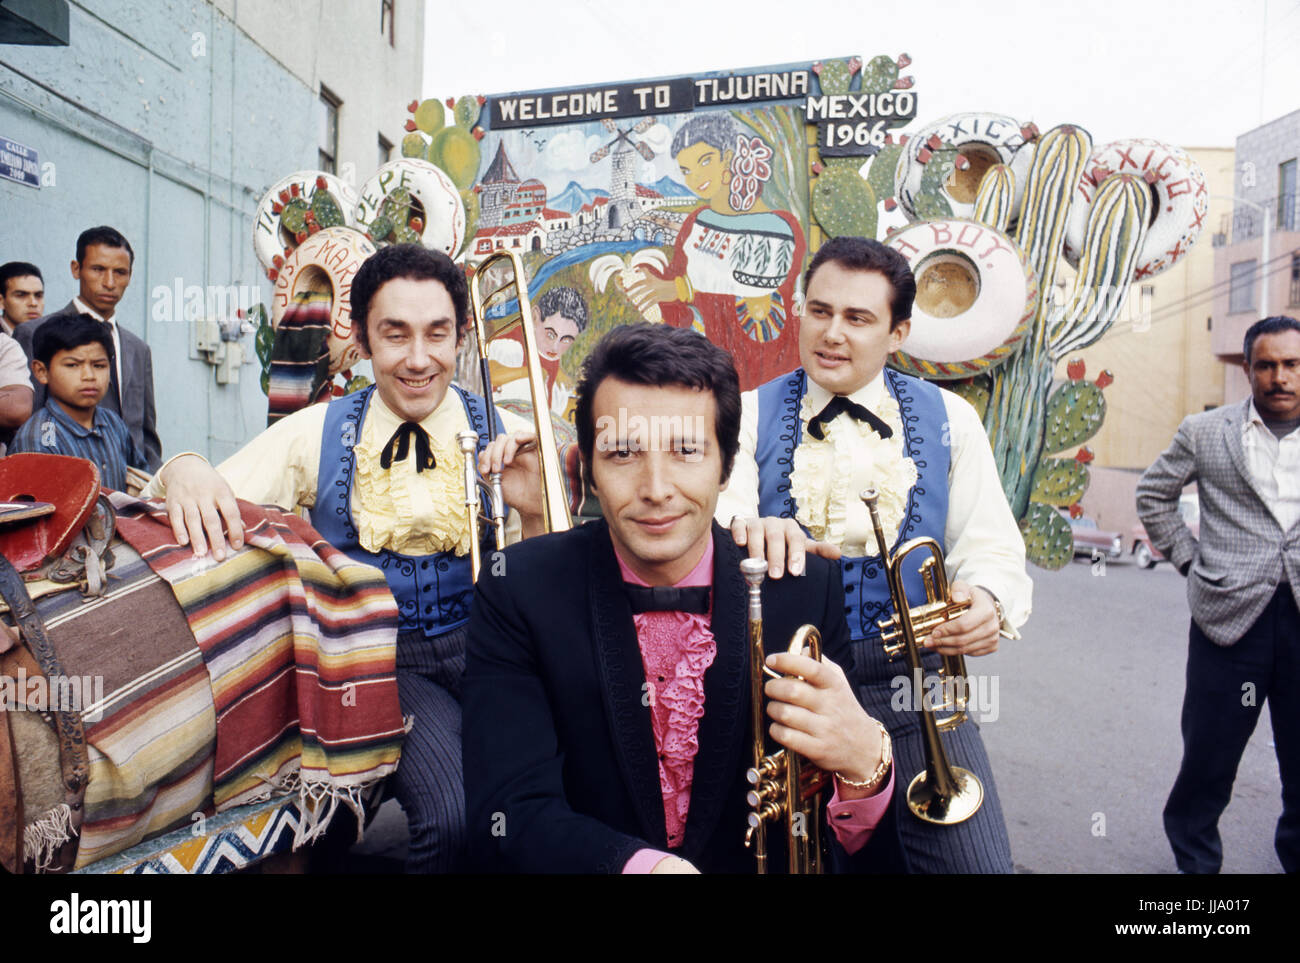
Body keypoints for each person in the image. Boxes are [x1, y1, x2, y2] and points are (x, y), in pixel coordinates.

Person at [144, 244, 537, 873]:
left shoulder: (509, 430)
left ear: (461, 337)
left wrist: (539, 505)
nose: (417, 359)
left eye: (437, 334)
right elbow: (206, 491)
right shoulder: (318, 430)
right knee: (453, 816)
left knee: (566, 785)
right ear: (360, 339)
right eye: (394, 334)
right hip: (380, 659)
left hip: (495, 652)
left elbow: (546, 564)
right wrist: (184, 467)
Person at [463, 322, 903, 873]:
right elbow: (507, 812)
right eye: (623, 454)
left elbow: (834, 837)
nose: (656, 488)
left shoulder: (800, 586)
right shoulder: (518, 588)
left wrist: (868, 766)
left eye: (686, 452)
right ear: (591, 473)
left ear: (725, 467)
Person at [715, 236, 1032, 874]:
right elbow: (723, 518)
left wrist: (987, 601)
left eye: (858, 319)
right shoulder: (746, 414)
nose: (832, 334)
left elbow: (992, 548)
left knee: (974, 867)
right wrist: (748, 528)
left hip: (917, 689)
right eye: (820, 310)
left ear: (898, 332)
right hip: (786, 686)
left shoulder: (953, 419)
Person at [1136, 315, 1300, 874]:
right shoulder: (1206, 431)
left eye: (1293, 364)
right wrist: (1190, 560)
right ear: (1249, 369)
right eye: (1268, 364)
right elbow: (1154, 494)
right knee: (1209, 757)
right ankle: (1197, 867)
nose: (1281, 377)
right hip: (1229, 619)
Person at [623, 114, 805, 392]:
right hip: (710, 370)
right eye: (686, 170)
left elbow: (757, 284)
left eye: (705, 161)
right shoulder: (695, 223)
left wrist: (679, 289)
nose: (696, 177)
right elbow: (675, 284)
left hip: (766, 366)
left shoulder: (778, 226)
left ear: (728, 157)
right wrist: (645, 284)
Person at [16, 227, 161, 470]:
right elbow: (25, 419)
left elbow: (147, 436)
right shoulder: (34, 333)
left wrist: (154, 490)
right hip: (62, 474)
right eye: (98, 269)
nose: (109, 282)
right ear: (76, 269)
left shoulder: (138, 348)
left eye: (120, 272)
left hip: (130, 487)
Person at [10, 315, 148, 490]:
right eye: (73, 365)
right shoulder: (41, 437)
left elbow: (142, 479)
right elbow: (43, 510)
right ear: (42, 371)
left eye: (99, 365)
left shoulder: (113, 423)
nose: (89, 376)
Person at [486, 284, 587, 423]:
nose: (555, 346)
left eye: (566, 340)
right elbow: (491, 373)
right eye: (550, 334)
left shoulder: (550, 359)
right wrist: (532, 371)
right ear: (534, 317)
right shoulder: (511, 346)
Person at [0, 261, 44, 336]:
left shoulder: (51, 337)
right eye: (21, 295)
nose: (33, 303)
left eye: (38, 295)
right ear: (1, 301)